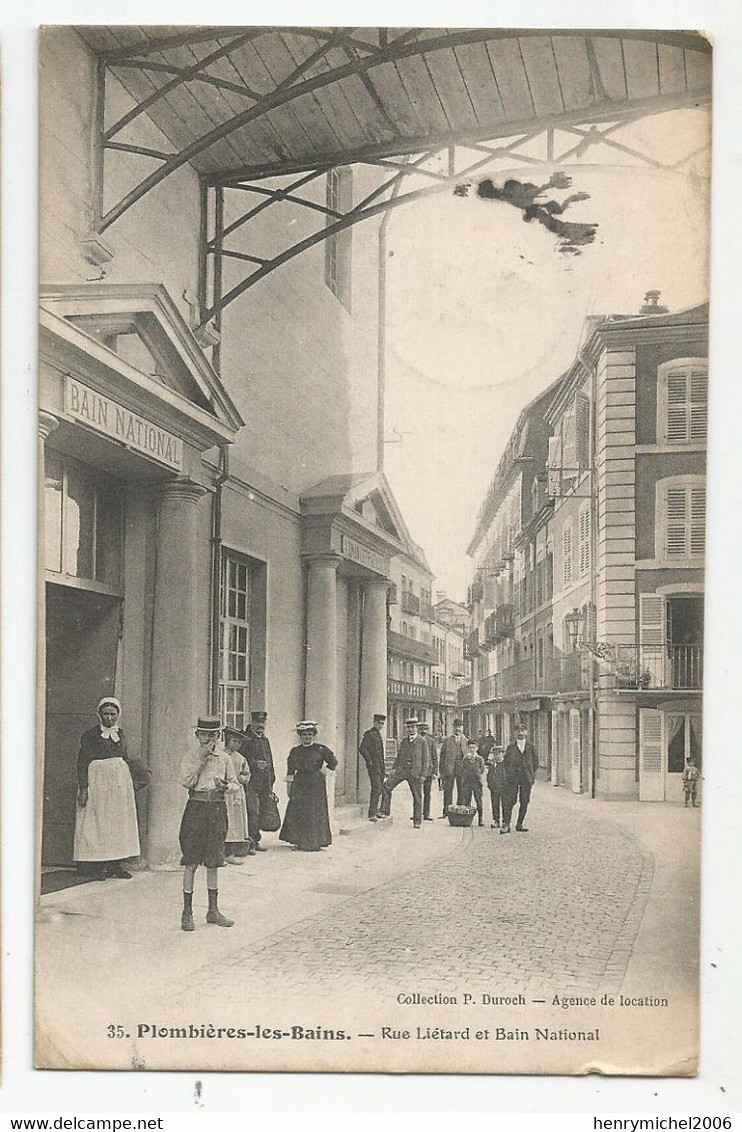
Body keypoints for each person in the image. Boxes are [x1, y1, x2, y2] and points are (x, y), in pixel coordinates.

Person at [179, 716, 240, 931]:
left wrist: (226, 786)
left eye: (212, 735)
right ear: (197, 736)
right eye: (203, 734)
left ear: (218, 736)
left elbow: (235, 784)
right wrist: (200, 760)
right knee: (191, 860)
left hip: (216, 809)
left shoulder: (224, 759)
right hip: (196, 808)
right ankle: (187, 912)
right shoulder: (190, 756)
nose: (207, 739)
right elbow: (186, 781)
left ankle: (213, 910)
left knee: (214, 859)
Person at [73, 697, 142, 881]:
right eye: (106, 714)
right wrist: (84, 788)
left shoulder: (121, 733)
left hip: (119, 785)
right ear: (99, 715)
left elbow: (125, 757)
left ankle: (115, 865)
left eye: (113, 714)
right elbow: (82, 762)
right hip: (98, 782)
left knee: (117, 823)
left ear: (118, 715)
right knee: (99, 823)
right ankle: (98, 866)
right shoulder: (90, 735)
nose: (109, 718)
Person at [279, 722, 338, 851]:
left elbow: (333, 762)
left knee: (314, 812)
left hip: (316, 784)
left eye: (310, 734)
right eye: (304, 735)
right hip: (300, 783)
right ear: (300, 736)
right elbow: (290, 770)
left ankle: (316, 842)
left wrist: (323, 771)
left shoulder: (321, 749)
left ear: (314, 735)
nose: (307, 737)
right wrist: (289, 786)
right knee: (300, 812)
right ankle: (299, 841)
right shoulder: (295, 751)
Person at [378, 716, 431, 828]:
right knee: (387, 785)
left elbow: (426, 759)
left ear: (417, 728)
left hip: (415, 772)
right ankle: (384, 811)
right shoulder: (404, 741)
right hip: (402, 770)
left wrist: (423, 775)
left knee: (417, 797)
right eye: (409, 727)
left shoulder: (422, 741)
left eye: (413, 727)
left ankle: (417, 821)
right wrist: (394, 768)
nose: (411, 729)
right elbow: (399, 755)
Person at [241, 710, 276, 852]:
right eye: (258, 722)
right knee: (251, 812)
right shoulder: (246, 739)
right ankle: (249, 842)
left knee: (260, 812)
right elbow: (241, 758)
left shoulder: (264, 740)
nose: (261, 725)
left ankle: (256, 840)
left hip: (264, 782)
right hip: (251, 782)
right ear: (252, 722)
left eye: (263, 722)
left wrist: (272, 778)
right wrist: (255, 764)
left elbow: (270, 760)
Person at [223, 725, 253, 863]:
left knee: (235, 822)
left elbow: (246, 774)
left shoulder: (241, 758)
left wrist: (243, 778)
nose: (237, 744)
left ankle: (230, 852)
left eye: (239, 742)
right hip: (223, 792)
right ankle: (219, 852)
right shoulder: (220, 755)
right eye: (234, 741)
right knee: (223, 821)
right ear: (228, 740)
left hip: (236, 794)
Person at [501, 723, 539, 834]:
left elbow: (535, 763)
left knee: (524, 800)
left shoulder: (531, 747)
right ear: (515, 733)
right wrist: (509, 773)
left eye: (523, 730)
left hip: (526, 778)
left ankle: (520, 823)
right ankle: (506, 824)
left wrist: (530, 774)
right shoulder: (511, 747)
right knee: (510, 800)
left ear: (526, 732)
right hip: (513, 778)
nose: (520, 733)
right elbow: (506, 762)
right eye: (518, 730)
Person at [359, 713, 387, 822]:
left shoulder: (378, 734)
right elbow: (362, 748)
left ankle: (376, 811)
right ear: (374, 722)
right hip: (374, 766)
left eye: (382, 724)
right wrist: (369, 760)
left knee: (380, 788)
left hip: (380, 765)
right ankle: (371, 813)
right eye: (379, 723)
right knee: (376, 788)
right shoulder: (369, 734)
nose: (381, 725)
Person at [438, 718, 468, 817]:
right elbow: (442, 757)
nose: (458, 729)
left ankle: (460, 810)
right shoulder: (447, 740)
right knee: (448, 790)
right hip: (449, 769)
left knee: (462, 790)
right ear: (453, 728)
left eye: (460, 727)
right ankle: (446, 812)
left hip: (462, 769)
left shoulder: (466, 741)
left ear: (462, 728)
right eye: (456, 727)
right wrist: (441, 772)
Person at [459, 739, 486, 826]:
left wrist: (477, 775)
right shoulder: (465, 758)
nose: (472, 749)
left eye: (474, 748)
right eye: (470, 748)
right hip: (467, 782)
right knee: (467, 801)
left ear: (477, 748)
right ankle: (467, 819)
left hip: (476, 782)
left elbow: (482, 769)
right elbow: (461, 769)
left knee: (479, 800)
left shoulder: (479, 759)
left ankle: (480, 819)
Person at [418, 721, 439, 822]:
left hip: (429, 771)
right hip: (417, 770)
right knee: (417, 793)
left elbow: (435, 757)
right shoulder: (416, 740)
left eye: (425, 730)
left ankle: (426, 813)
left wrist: (435, 771)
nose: (423, 731)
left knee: (427, 793)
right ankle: (417, 813)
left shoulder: (431, 741)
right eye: (421, 729)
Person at [487, 746, 507, 828]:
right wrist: (490, 784)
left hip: (504, 788)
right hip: (494, 788)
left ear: (503, 754)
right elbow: (489, 776)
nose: (497, 756)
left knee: (505, 805)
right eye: (495, 754)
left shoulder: (506, 764)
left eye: (499, 754)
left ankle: (505, 821)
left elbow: (509, 776)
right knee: (495, 804)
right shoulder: (493, 765)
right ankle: (496, 820)